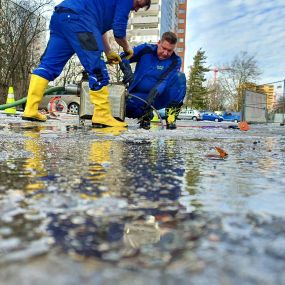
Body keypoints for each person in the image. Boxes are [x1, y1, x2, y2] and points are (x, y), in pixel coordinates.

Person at [22, 0, 151, 128]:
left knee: (48, 66)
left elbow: (99, 31)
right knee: (97, 69)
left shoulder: (103, 5)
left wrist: (108, 52)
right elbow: (119, 32)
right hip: (80, 20)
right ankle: (102, 115)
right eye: (139, 5)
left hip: (61, 16)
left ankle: (30, 109)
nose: (136, 9)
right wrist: (128, 48)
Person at [121, 31, 186, 129]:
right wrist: (127, 71)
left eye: (170, 51)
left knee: (180, 77)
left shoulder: (175, 61)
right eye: (163, 48)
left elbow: (165, 80)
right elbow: (123, 56)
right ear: (158, 43)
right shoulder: (145, 49)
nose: (165, 53)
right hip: (139, 95)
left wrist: (154, 94)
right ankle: (145, 115)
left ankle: (171, 116)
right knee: (127, 107)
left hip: (159, 97)